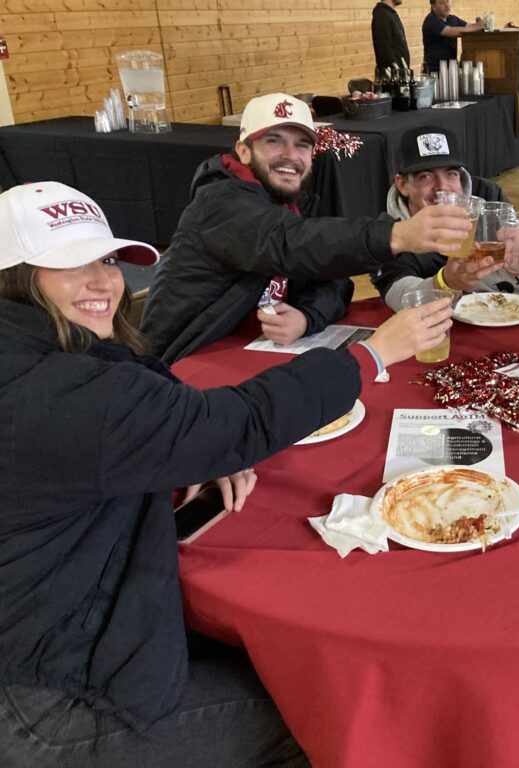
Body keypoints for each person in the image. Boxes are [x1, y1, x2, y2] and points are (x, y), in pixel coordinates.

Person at [0, 181, 453, 767]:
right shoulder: (57, 391)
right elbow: (233, 421)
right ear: (13, 280)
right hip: (47, 701)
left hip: (46, 641)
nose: (105, 282)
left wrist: (175, 457)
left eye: (107, 260)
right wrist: (369, 355)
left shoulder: (38, 356)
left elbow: (116, 448)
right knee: (329, 716)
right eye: (69, 267)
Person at [141, 92, 471, 363]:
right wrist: (396, 235)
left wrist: (305, 318)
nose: (290, 155)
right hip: (181, 366)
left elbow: (336, 282)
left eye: (301, 145)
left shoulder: (292, 203)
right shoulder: (220, 201)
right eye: (274, 141)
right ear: (243, 150)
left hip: (255, 355)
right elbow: (288, 244)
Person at [372, 125, 519, 310]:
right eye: (425, 176)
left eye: (451, 174)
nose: (442, 187)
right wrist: (448, 281)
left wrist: (457, 284)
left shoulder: (488, 197)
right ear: (402, 185)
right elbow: (404, 301)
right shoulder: (387, 233)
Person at [421, 0, 483, 74]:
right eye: (442, 3)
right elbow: (451, 31)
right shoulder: (431, 20)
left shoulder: (453, 19)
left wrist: (480, 24)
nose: (447, 5)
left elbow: (469, 27)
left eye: (447, 1)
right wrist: (479, 25)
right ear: (433, 7)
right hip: (434, 71)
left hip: (451, 68)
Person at [371, 0, 410, 73]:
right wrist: (397, 71)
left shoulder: (391, 14)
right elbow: (385, 51)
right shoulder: (382, 16)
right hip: (392, 77)